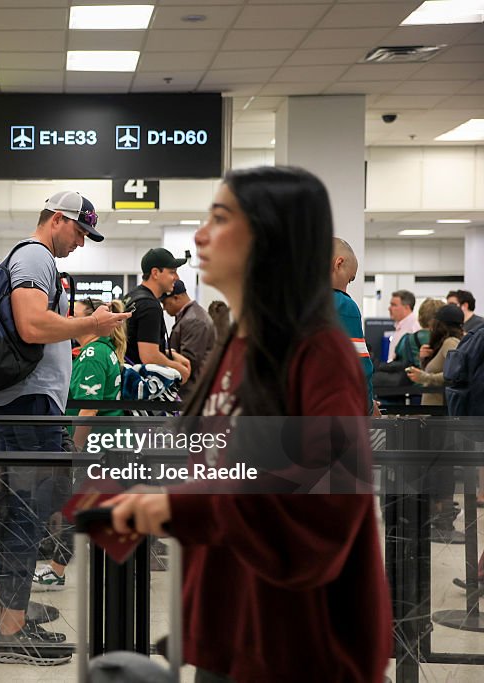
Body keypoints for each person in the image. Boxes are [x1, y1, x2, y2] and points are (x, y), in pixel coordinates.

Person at [107, 166, 391, 682]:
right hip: (235, 632)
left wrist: (183, 506)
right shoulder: (240, 344)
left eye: (220, 218)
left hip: (295, 647)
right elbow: (229, 472)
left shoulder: (318, 350)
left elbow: (326, 504)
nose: (200, 236)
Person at [0, 190, 129, 666]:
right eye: (80, 231)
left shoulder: (35, 259)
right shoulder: (35, 256)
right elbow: (30, 325)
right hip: (29, 405)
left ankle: (12, 617)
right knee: (26, 515)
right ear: (58, 220)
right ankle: (11, 633)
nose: (81, 242)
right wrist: (91, 326)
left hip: (27, 402)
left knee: (23, 513)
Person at [33, 297, 128, 592]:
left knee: (76, 508)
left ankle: (57, 570)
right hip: (103, 444)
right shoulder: (102, 350)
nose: (68, 319)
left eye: (74, 315)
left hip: (94, 446)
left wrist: (74, 452)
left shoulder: (93, 354)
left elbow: (89, 409)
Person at [406, 303, 465, 543]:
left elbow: (453, 375)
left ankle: (443, 522)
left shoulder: (450, 343)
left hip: (440, 415)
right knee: (436, 467)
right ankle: (438, 520)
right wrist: (425, 361)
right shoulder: (445, 344)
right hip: (435, 415)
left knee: (441, 468)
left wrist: (425, 376)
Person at [124, 248, 192, 385]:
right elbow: (149, 356)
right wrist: (178, 370)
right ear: (155, 273)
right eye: (172, 272)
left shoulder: (132, 297)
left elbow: (136, 344)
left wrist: (169, 354)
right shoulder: (149, 306)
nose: (177, 277)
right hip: (139, 386)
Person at [330, 237, 376, 416]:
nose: (347, 288)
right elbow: (360, 368)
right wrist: (368, 408)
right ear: (339, 263)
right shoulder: (342, 305)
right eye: (350, 280)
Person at [161, 280, 215, 399]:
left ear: (176, 298)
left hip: (191, 392)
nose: (164, 308)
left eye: (165, 303)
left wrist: (162, 355)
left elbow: (189, 361)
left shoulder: (193, 320)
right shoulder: (189, 316)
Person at [387, 289, 418, 362]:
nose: (389, 308)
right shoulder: (400, 326)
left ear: (406, 308)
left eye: (394, 305)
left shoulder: (414, 327)